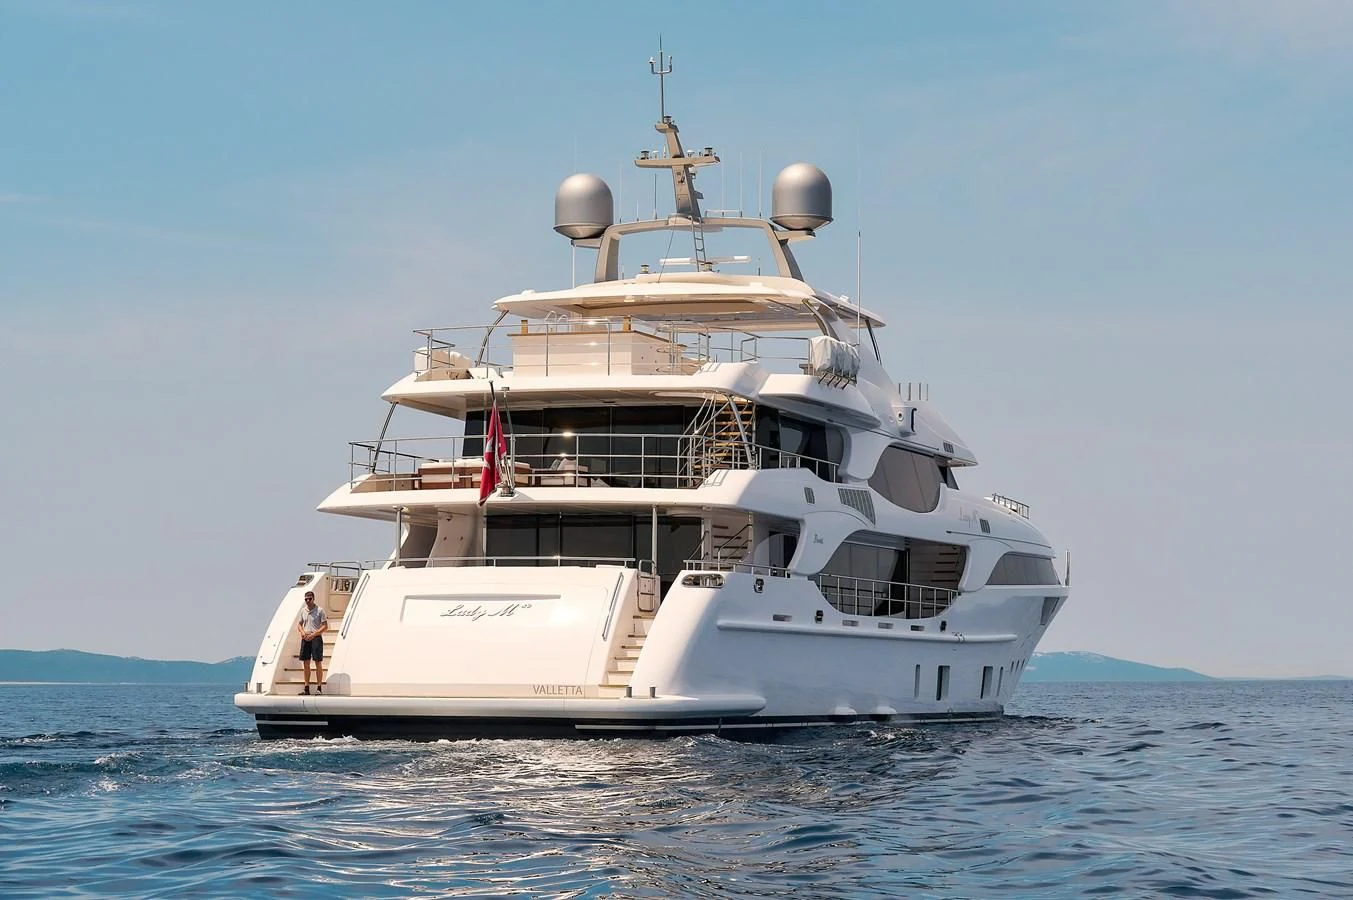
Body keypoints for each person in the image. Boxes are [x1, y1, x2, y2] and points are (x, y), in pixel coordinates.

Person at [297, 590, 328, 695]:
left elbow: (325, 626)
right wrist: (302, 632)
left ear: (313, 599)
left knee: (317, 662)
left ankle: (319, 687)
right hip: (305, 637)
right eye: (306, 599)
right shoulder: (303, 611)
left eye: (309, 599)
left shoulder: (320, 610)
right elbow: (300, 624)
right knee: (306, 663)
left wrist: (314, 634)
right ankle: (306, 687)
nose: (308, 601)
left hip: (316, 637)